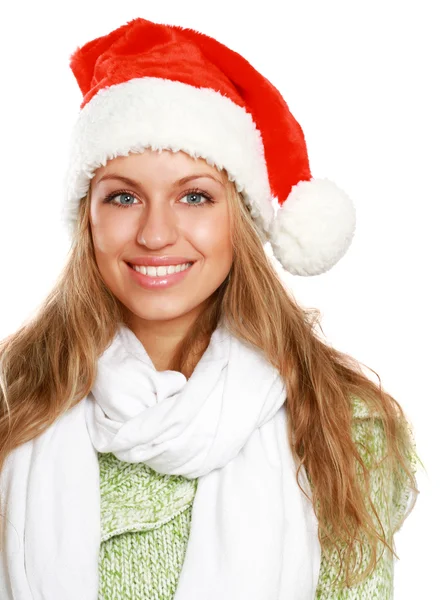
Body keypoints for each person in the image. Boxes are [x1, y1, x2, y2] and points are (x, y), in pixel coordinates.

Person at [0, 17, 421, 600]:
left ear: (240, 219)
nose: (155, 234)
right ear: (86, 218)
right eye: (123, 196)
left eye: (194, 196)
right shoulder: (14, 401)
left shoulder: (342, 427)